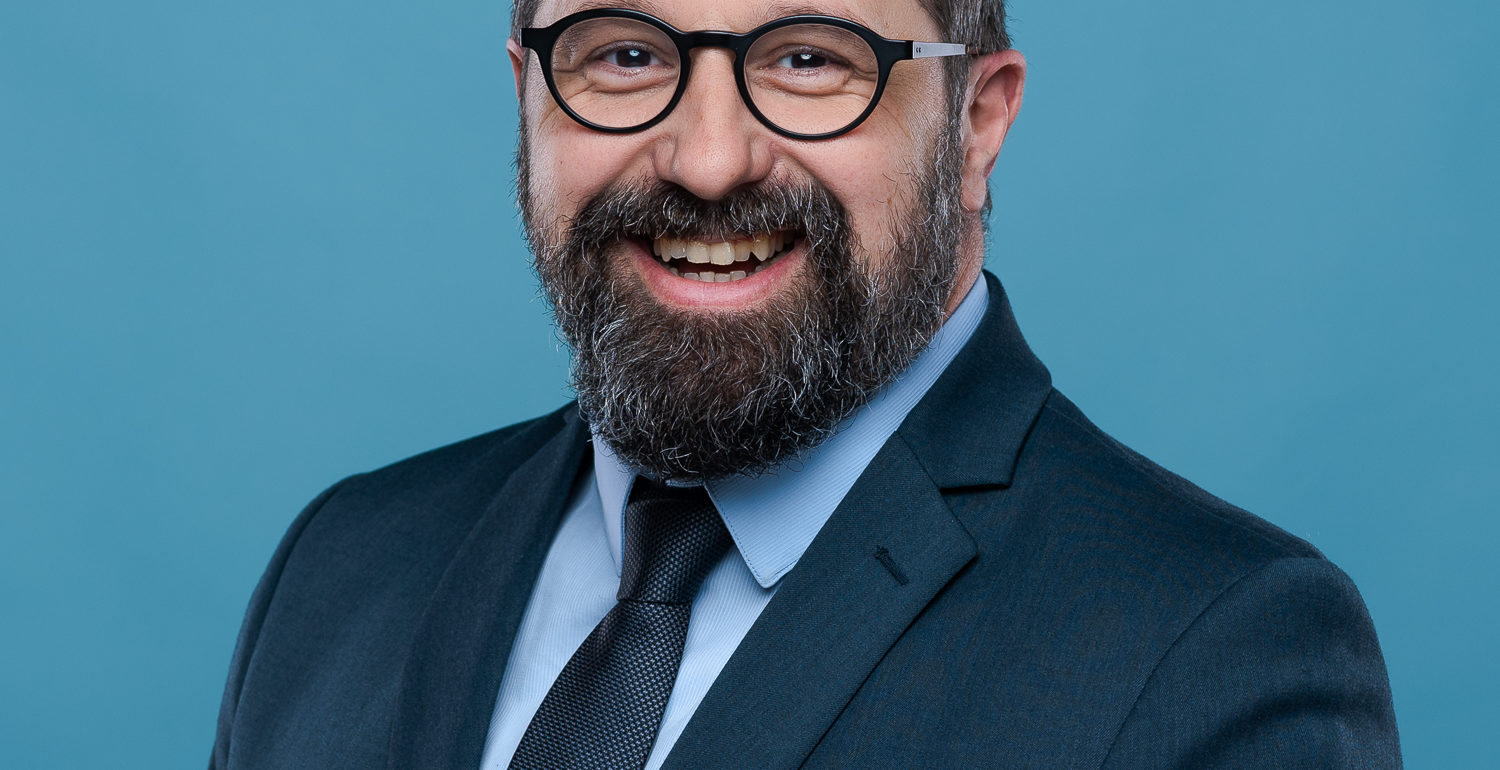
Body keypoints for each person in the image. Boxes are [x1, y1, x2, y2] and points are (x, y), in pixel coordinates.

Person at [211, 0, 1402, 767]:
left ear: (977, 123)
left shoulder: (1215, 653)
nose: (708, 159)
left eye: (808, 59)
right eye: (624, 54)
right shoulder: (340, 565)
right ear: (525, 90)